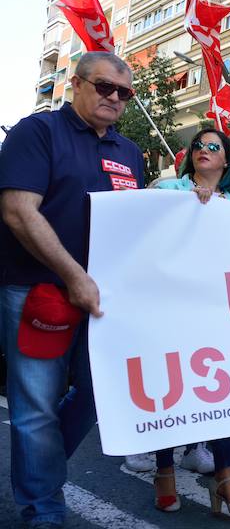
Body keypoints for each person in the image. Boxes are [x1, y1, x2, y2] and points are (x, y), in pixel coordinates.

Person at [0, 52, 145, 528]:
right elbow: (20, 210)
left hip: (103, 301)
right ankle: (43, 508)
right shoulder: (37, 132)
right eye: (105, 87)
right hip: (38, 292)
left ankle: (38, 467)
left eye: (125, 93)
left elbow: (138, 227)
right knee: (35, 409)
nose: (115, 99)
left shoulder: (130, 152)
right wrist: (74, 276)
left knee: (99, 393)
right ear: (76, 84)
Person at [152, 128, 230, 513]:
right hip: (174, 304)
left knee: (222, 390)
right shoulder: (170, 189)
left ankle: (225, 481)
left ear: (226, 160)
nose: (203, 150)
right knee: (171, 388)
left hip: (219, 309)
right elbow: (146, 228)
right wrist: (187, 206)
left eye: (213, 147)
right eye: (198, 146)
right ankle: (164, 472)